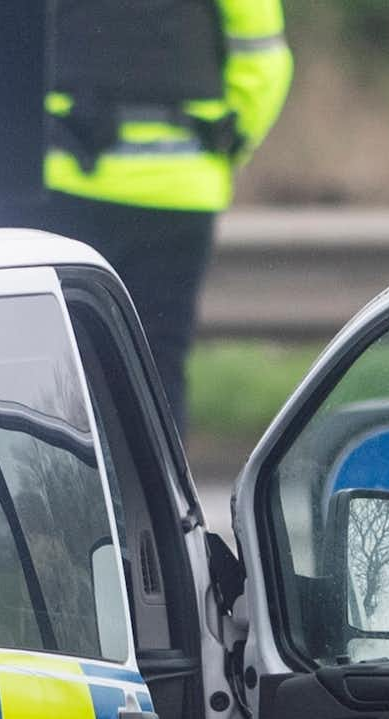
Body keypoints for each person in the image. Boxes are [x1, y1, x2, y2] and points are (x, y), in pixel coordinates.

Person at [33, 0, 291, 430]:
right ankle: (156, 495)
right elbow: (266, 61)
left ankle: (39, 492)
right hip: (178, 190)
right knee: (154, 374)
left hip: (57, 183)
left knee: (40, 369)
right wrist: (226, 142)